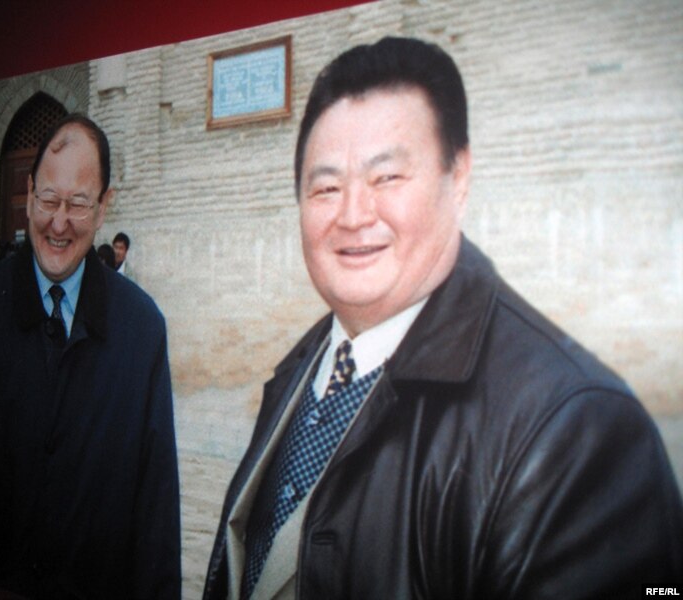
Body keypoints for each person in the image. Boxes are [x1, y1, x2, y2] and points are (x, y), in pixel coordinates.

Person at [203, 37, 683, 599]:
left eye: (387, 178)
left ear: (459, 179)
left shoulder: (576, 429)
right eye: (326, 187)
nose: (353, 215)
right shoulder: (302, 370)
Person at [0, 114, 181, 599]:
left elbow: (156, 496)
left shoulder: (142, 327)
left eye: (78, 204)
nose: (59, 223)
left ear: (103, 207)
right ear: (28, 194)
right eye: (48, 199)